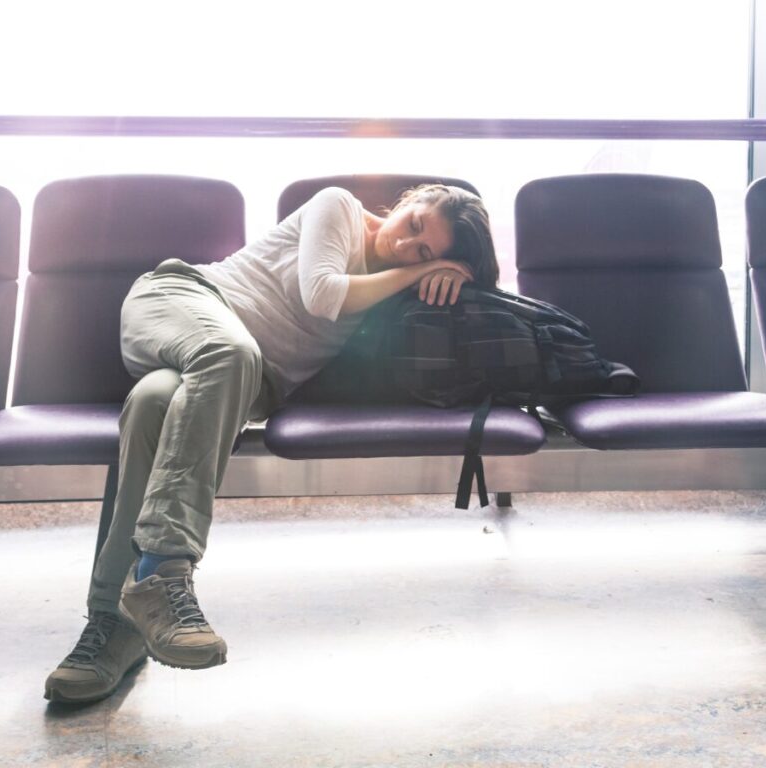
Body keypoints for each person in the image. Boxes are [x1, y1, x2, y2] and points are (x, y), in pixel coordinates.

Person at [44, 182, 499, 703]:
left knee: (152, 404)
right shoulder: (340, 208)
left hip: (241, 380)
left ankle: (111, 630)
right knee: (231, 352)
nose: (404, 247)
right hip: (183, 302)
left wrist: (442, 284)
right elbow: (323, 292)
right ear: (407, 202)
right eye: (414, 226)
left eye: (423, 253)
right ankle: (162, 571)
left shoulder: (392, 292)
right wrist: (419, 271)